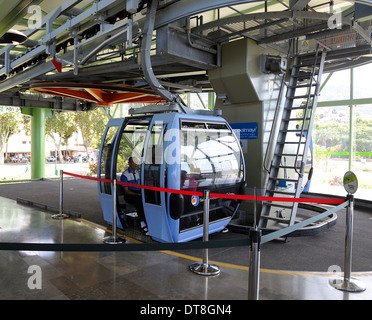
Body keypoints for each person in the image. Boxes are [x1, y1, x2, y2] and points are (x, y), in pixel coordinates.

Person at [121, 157, 148, 235]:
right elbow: (126, 191)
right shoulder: (125, 175)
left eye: (137, 162)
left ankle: (148, 220)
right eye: (134, 163)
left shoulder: (138, 172)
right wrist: (137, 194)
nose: (136, 164)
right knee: (139, 201)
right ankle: (142, 224)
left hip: (138, 192)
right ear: (129, 163)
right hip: (129, 194)